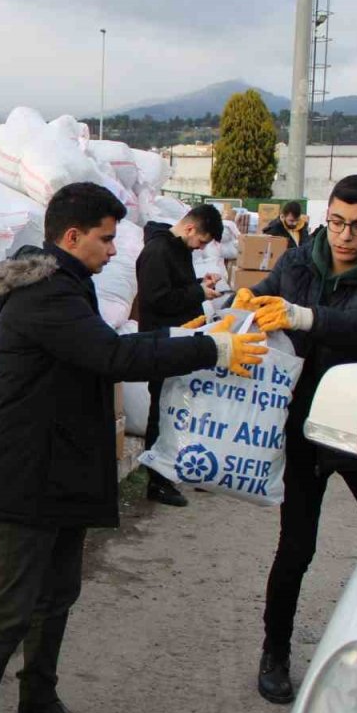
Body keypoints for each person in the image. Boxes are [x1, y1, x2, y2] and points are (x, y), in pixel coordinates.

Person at [0, 183, 268, 713]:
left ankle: (38, 699)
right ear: (71, 237)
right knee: (17, 602)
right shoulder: (46, 294)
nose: (111, 250)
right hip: (29, 472)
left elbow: (110, 345)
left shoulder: (68, 284)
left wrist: (189, 334)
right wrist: (209, 350)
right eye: (104, 238)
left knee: (59, 594)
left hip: (64, 464)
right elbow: (114, 358)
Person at [245, 174, 357, 704]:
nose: (345, 236)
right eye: (339, 222)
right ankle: (275, 652)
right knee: (295, 547)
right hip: (304, 426)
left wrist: (304, 316)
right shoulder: (301, 260)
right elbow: (265, 297)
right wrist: (238, 308)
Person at [135, 203, 224, 507]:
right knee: (161, 412)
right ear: (190, 228)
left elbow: (177, 289)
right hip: (162, 343)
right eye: (200, 241)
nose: (199, 248)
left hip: (179, 340)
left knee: (176, 411)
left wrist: (201, 286)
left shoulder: (177, 250)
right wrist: (198, 294)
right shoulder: (157, 252)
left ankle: (170, 474)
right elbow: (158, 299)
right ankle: (156, 481)